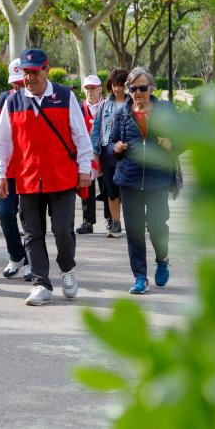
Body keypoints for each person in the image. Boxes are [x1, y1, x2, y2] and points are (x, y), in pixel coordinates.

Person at [0, 48, 93, 306]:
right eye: (26, 73)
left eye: (35, 72)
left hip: (61, 177)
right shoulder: (13, 101)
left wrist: (85, 168)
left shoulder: (64, 96)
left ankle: (68, 268)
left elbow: (81, 135)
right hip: (27, 179)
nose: (29, 78)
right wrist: (0, 173)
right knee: (33, 234)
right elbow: (3, 142)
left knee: (62, 231)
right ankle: (41, 284)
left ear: (46, 70)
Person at [110, 67, 180, 294]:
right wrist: (116, 148)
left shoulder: (166, 111)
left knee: (158, 226)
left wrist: (172, 145)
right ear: (128, 90)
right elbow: (111, 143)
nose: (138, 92)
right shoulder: (122, 114)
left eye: (142, 88)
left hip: (158, 178)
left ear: (151, 88)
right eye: (133, 88)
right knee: (134, 230)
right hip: (129, 179)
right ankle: (140, 277)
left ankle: (162, 259)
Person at [0, 58, 30, 281]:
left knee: (30, 216)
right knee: (4, 212)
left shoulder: (39, 100)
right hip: (8, 170)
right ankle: (16, 255)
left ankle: (33, 260)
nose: (17, 89)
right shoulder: (5, 99)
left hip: (30, 169)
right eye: (14, 84)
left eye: (20, 84)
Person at [90, 69, 129, 238]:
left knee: (128, 189)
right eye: (114, 85)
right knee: (111, 189)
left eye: (121, 85)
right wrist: (94, 151)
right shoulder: (105, 104)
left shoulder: (133, 103)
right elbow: (96, 128)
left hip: (128, 152)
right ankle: (116, 223)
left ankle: (133, 222)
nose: (117, 89)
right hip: (108, 152)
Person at [76, 74, 112, 235]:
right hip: (86, 154)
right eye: (87, 88)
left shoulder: (108, 106)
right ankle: (87, 221)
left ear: (100, 89)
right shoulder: (78, 107)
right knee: (86, 188)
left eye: (93, 88)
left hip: (104, 153)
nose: (90, 91)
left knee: (108, 187)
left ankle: (110, 219)